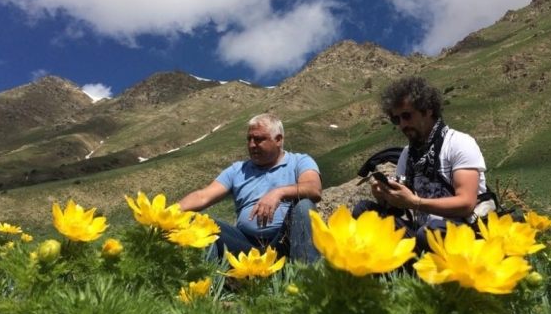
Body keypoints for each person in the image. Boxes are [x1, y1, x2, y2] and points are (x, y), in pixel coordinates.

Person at [353, 76, 487, 253]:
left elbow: (466, 203)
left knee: (428, 233)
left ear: (428, 110)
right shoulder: (407, 154)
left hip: (462, 232)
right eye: (396, 119)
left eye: (407, 116)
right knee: (364, 211)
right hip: (421, 231)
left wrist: (415, 202)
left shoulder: (459, 143)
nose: (402, 124)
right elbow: (400, 206)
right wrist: (385, 196)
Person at [178, 113, 322, 262]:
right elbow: (203, 196)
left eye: (259, 139)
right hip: (245, 245)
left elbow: (314, 189)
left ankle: (307, 278)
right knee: (196, 220)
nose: (252, 145)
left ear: (278, 140)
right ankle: (209, 282)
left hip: (284, 241)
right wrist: (167, 214)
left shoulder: (300, 161)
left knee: (305, 205)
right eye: (249, 139)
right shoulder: (238, 170)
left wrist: (279, 192)